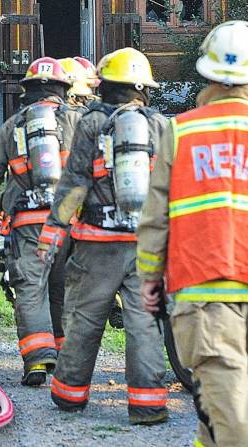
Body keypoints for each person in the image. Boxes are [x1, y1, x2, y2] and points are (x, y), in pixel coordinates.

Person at [136, 21, 248, 447]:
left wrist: (149, 276)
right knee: (220, 411)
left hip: (203, 293)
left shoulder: (181, 132)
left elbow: (155, 215)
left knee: (231, 418)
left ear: (206, 72)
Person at [40, 48, 169, 424]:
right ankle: (147, 405)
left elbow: (75, 181)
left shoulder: (91, 122)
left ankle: (70, 395)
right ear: (143, 88)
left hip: (96, 243)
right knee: (145, 322)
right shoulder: (161, 125)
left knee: (84, 317)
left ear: (104, 85)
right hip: (145, 244)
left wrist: (52, 232)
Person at [0, 58, 81, 386]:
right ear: (63, 89)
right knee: (64, 289)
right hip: (70, 223)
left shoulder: (13, 125)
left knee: (31, 288)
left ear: (28, 91)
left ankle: (37, 359)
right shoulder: (80, 120)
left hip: (29, 223)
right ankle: (64, 359)